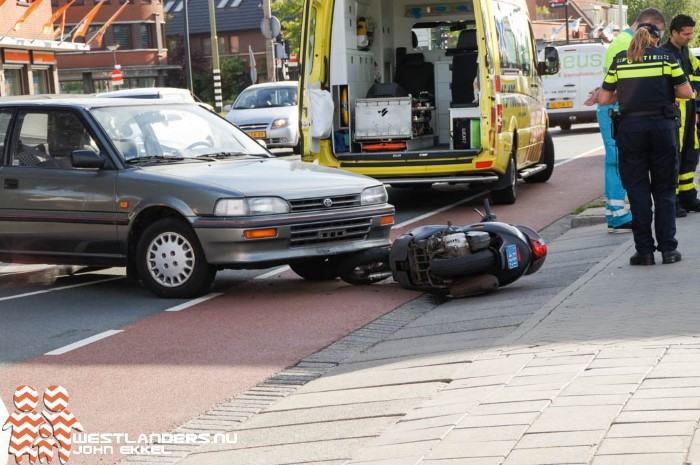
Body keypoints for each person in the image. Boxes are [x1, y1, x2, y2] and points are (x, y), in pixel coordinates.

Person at [598, 22, 692, 266]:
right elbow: (686, 92)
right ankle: (669, 250)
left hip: (631, 131)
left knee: (638, 191)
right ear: (656, 39)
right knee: (664, 192)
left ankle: (645, 252)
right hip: (662, 129)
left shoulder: (620, 60)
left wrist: (625, 94)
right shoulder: (667, 58)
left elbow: (604, 98)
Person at [585, 8, 666, 231]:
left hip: (612, 108)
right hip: (615, 110)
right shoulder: (626, 44)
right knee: (619, 161)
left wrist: (599, 92)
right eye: (657, 32)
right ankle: (618, 215)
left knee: (616, 161)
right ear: (648, 25)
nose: (657, 39)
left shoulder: (622, 41)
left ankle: (616, 212)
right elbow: (625, 82)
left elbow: (611, 80)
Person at [660, 14, 700, 214]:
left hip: (689, 113)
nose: (689, 37)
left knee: (690, 156)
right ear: (674, 32)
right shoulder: (663, 54)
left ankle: (688, 197)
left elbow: (697, 73)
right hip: (673, 115)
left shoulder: (685, 52)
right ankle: (672, 201)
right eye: (686, 34)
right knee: (672, 158)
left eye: (691, 33)